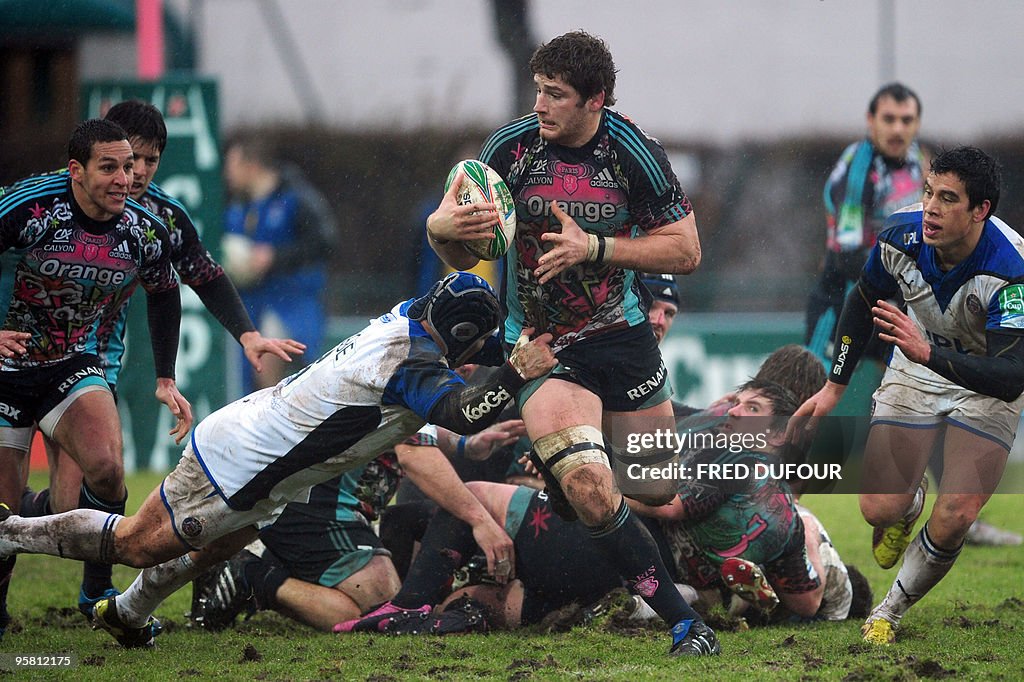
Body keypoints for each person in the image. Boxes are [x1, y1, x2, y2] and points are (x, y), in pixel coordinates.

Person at [0, 271, 555, 649]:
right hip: (243, 463)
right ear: (457, 335)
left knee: (220, 545)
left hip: (263, 460)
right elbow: (463, 412)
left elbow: (466, 353)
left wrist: (526, 338)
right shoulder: (408, 362)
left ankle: (125, 614)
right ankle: (11, 532)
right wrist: (514, 373)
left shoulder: (411, 317)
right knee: (137, 543)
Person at [423, 31, 716, 657]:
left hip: (623, 336)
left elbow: (686, 250)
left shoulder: (634, 150)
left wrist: (596, 246)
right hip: (543, 344)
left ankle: (559, 475)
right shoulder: (511, 148)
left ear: (595, 100)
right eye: (538, 90)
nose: (541, 105)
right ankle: (682, 621)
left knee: (654, 487)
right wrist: (440, 230)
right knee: (589, 484)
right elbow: (461, 245)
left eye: (555, 95)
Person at [16, 101, 306, 618]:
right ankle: (24, 546)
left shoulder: (160, 220)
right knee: (38, 494)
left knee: (77, 498)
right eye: (128, 160)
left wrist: (246, 335)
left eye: (149, 160)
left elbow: (201, 275)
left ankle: (94, 591)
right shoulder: (47, 202)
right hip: (19, 353)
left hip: (89, 356)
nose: (138, 172)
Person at [790, 147, 1024, 644]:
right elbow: (861, 299)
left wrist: (928, 354)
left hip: (987, 384)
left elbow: (1011, 377)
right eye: (928, 192)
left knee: (958, 511)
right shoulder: (900, 234)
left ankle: (889, 610)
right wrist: (835, 387)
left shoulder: (1011, 269)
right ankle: (910, 500)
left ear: (981, 210)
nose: (931, 208)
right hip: (919, 367)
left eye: (948, 198)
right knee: (878, 508)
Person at [0, 118, 192, 639]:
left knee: (107, 471)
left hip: (69, 363)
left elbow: (164, 291)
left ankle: (96, 595)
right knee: (4, 509)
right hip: (5, 370)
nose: (124, 179)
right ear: (76, 171)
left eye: (129, 167)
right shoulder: (31, 207)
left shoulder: (141, 229)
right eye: (109, 167)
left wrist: (165, 378)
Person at [189, 420, 525, 632]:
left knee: (384, 603)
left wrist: (467, 444)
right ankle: (250, 574)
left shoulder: (413, 366)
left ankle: (265, 565)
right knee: (380, 610)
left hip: (309, 502)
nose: (470, 365)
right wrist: (480, 520)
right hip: (318, 507)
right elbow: (415, 454)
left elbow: (424, 428)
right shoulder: (417, 369)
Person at [805, 83, 924, 364]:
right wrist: (907, 286)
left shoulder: (916, 159)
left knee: (908, 394)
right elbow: (846, 256)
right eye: (889, 119)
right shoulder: (859, 172)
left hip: (891, 301)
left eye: (906, 120)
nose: (898, 129)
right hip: (845, 302)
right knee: (811, 391)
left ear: (917, 123)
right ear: (871, 121)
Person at [221, 134, 339, 392]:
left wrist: (275, 257)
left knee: (271, 348)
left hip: (293, 301)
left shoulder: (297, 198)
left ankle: (278, 414)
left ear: (250, 166)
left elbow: (325, 241)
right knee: (250, 375)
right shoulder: (237, 208)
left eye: (231, 166)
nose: (227, 175)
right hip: (250, 304)